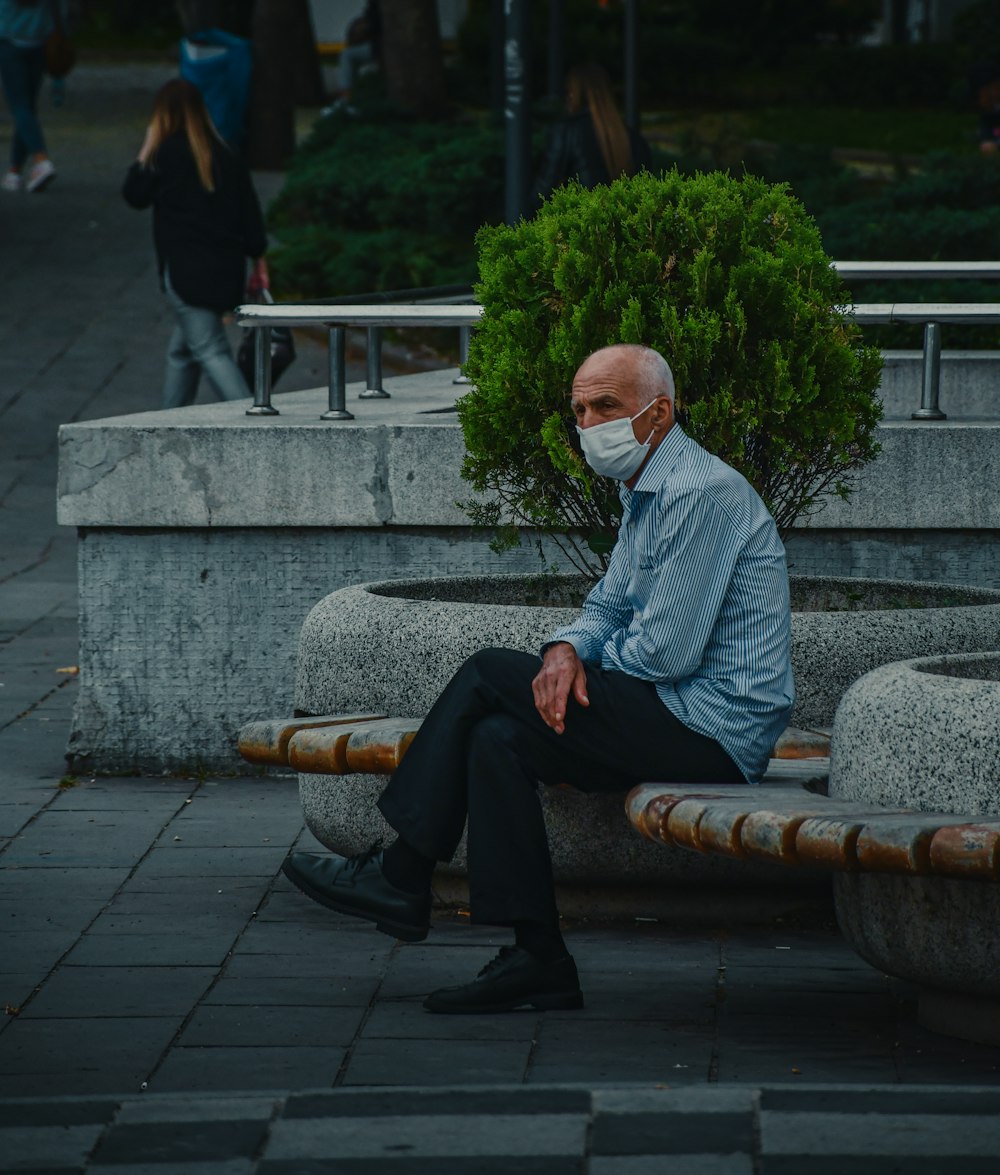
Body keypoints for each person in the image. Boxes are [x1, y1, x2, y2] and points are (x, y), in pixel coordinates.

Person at [282, 344, 795, 1014]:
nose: (588, 424)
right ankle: (538, 957)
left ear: (660, 412)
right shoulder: (645, 487)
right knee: (497, 737)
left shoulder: (701, 493)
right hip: (665, 712)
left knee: (489, 671)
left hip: (711, 731)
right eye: (579, 409)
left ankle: (402, 871)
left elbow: (663, 654)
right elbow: (609, 604)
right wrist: (562, 652)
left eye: (605, 406)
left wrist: (579, 666)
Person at [122, 78, 267, 410]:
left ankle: (258, 421)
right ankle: (168, 424)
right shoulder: (227, 154)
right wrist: (259, 262)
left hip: (186, 274)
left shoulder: (164, 155)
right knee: (183, 350)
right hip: (226, 273)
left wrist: (146, 148)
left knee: (210, 349)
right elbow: (252, 220)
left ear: (162, 116)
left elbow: (134, 195)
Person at [533, 62, 652, 202]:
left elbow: (544, 189)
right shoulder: (630, 137)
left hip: (581, 219)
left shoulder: (566, 132)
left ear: (573, 94)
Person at [0, 0, 69, 193]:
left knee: (20, 106)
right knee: (27, 108)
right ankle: (15, 171)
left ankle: (40, 159)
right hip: (39, 41)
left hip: (10, 39)